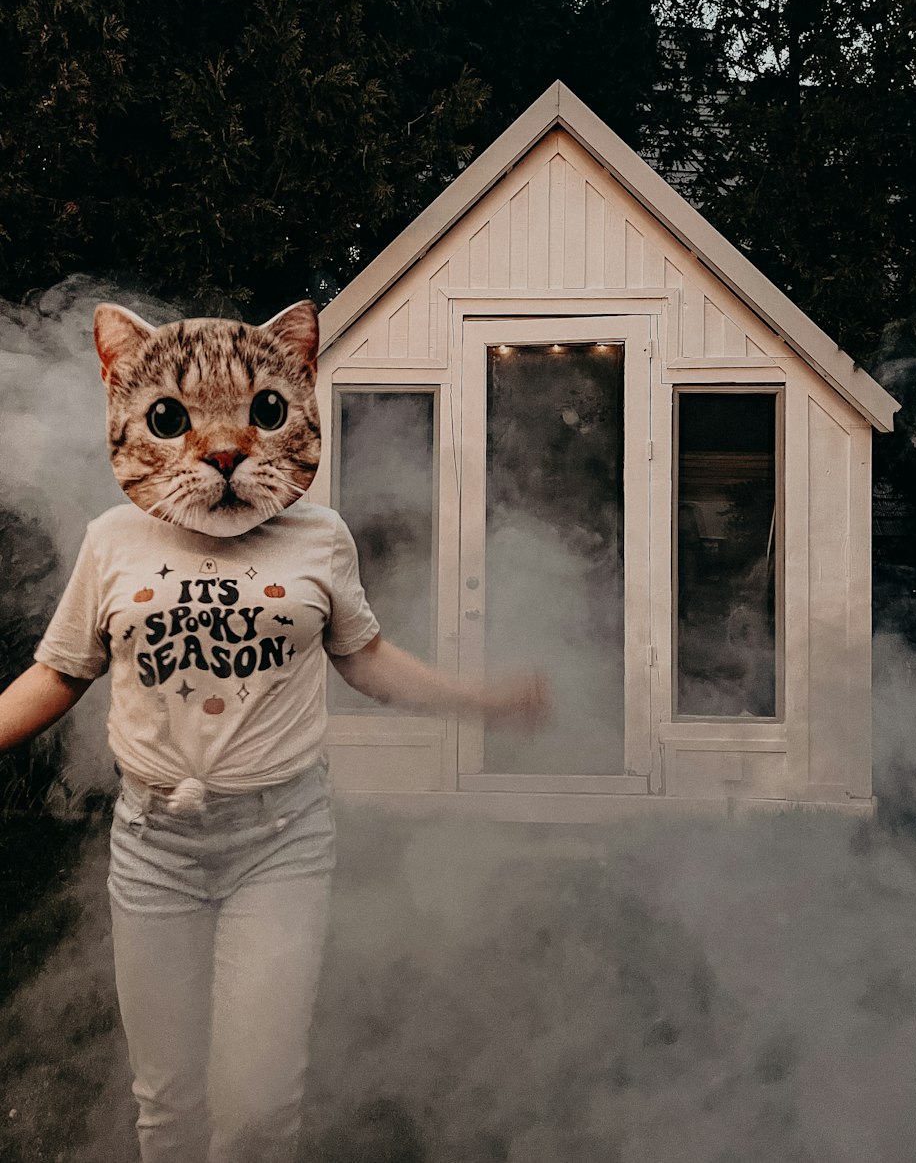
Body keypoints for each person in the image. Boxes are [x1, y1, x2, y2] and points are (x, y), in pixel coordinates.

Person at [0, 298, 546, 1163]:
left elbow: (365, 659)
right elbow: (61, 672)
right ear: (121, 401)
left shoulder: (320, 539)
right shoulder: (112, 541)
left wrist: (478, 701)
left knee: (258, 1111)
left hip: (281, 845)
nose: (224, 453)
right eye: (174, 419)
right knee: (167, 1107)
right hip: (153, 850)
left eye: (261, 413)